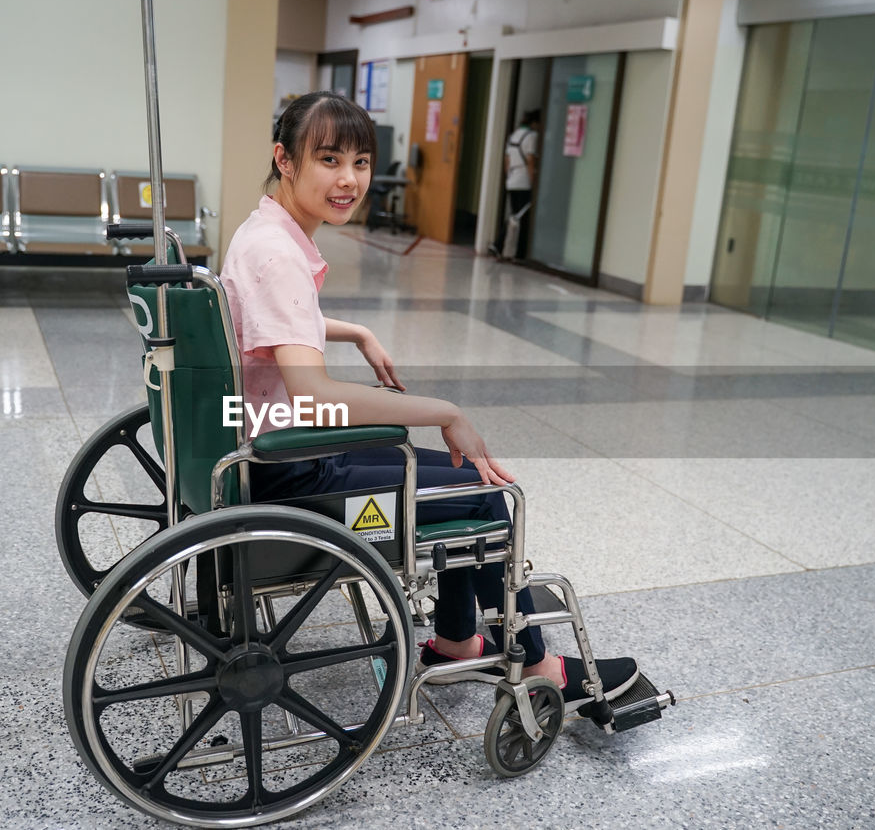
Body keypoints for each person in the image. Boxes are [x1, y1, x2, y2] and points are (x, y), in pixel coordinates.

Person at [219, 91, 636, 706]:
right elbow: (309, 395)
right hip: (296, 468)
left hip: (266, 443)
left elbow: (270, 323)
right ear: (284, 158)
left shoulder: (262, 231)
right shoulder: (279, 255)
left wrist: (353, 329)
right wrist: (447, 411)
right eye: (329, 160)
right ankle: (538, 665)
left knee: (467, 479)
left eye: (360, 162)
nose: (348, 180)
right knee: (486, 495)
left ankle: (459, 640)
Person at [493, 108, 540, 260]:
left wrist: (509, 177)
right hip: (523, 181)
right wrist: (533, 183)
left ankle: (504, 249)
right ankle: (503, 246)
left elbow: (507, 159)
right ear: (535, 123)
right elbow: (531, 160)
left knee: (516, 215)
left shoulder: (514, 135)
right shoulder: (532, 136)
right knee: (521, 217)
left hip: (512, 179)